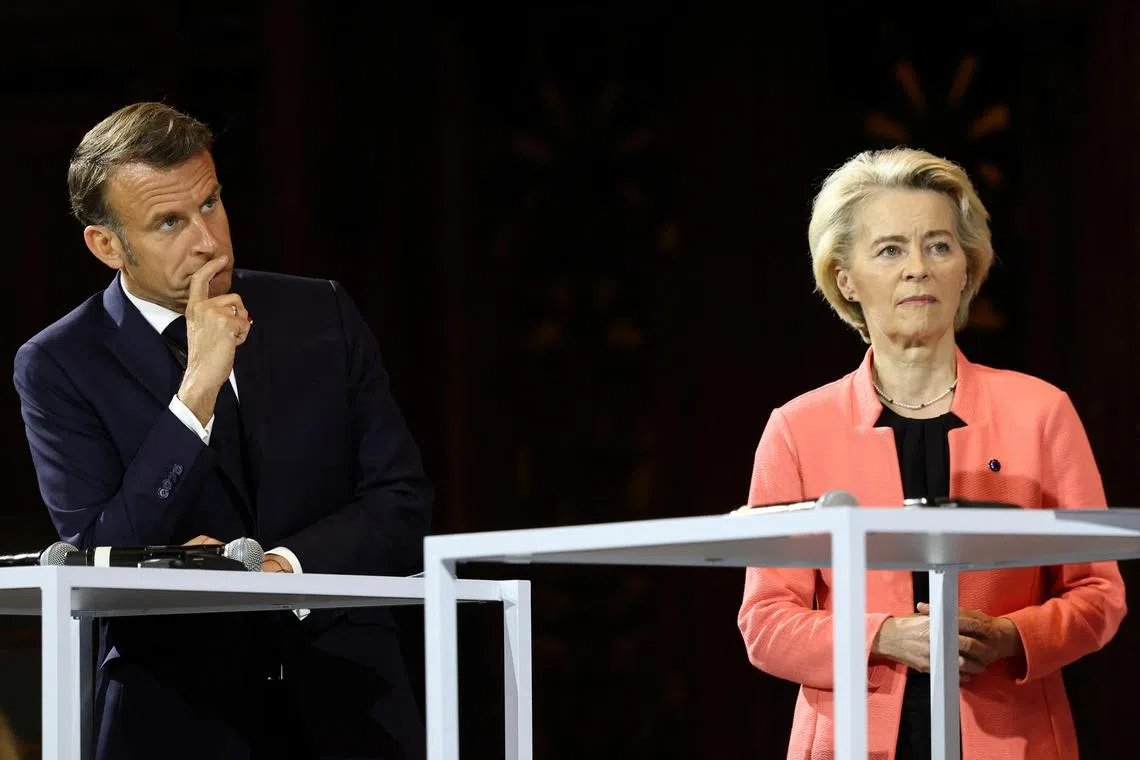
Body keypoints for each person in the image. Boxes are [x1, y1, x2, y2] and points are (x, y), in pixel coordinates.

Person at [13, 102, 432, 759]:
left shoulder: (319, 313)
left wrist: (274, 570)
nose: (208, 241)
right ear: (107, 245)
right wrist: (197, 392)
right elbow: (100, 554)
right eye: (170, 223)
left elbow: (400, 502)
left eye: (209, 204)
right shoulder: (60, 364)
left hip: (348, 709)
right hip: (174, 718)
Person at [736, 148, 1126, 760]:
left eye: (939, 246)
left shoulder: (1042, 411)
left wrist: (1011, 636)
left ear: (966, 272)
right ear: (845, 279)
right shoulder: (796, 428)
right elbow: (765, 624)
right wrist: (884, 637)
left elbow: (1098, 594)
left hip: (1015, 739)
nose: (917, 268)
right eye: (890, 249)